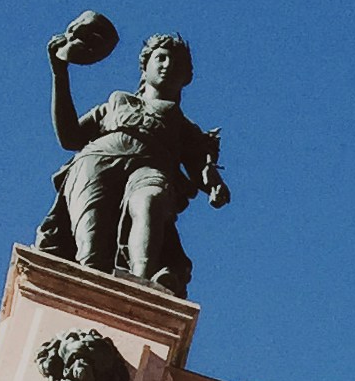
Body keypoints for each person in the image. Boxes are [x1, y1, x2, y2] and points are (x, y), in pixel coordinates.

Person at [38, 27, 228, 297]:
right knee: (92, 249)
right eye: (160, 58)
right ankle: (87, 292)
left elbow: (201, 167)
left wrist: (214, 186)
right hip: (96, 162)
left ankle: (143, 282)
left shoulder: (184, 126)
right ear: (145, 67)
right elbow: (69, 137)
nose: (167, 64)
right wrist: (60, 71)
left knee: (151, 199)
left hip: (152, 167)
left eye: (176, 62)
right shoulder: (117, 102)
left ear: (187, 77)